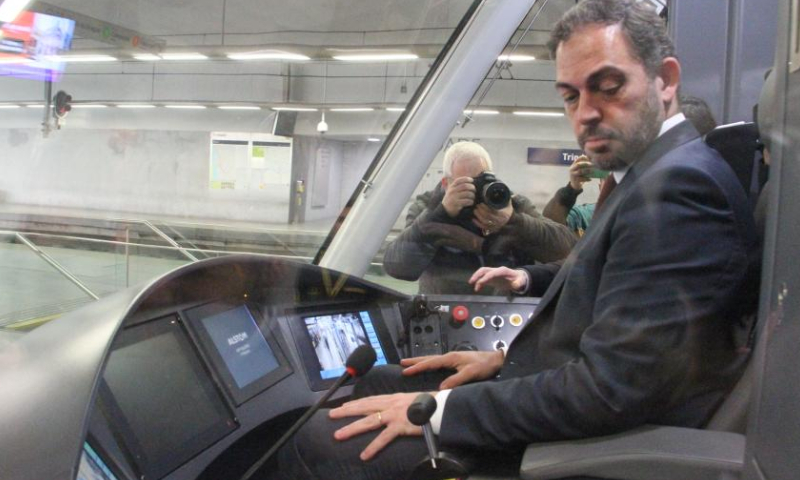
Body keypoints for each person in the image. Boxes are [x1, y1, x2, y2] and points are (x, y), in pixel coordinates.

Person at [265, 1, 760, 479]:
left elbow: (611, 390)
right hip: (551, 387)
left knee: (314, 444)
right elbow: (616, 290)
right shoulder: (659, 172)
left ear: (666, 80)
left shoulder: (678, 190)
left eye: (607, 86)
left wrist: (440, 410)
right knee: (369, 384)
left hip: (577, 441)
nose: (585, 113)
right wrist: (501, 359)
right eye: (570, 96)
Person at [382, 141, 576, 294]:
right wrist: (440, 214)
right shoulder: (427, 207)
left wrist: (514, 221)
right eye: (465, 184)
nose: (475, 191)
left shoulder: (510, 203)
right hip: (443, 311)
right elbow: (398, 268)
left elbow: (567, 250)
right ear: (446, 183)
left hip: (505, 310)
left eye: (481, 180)